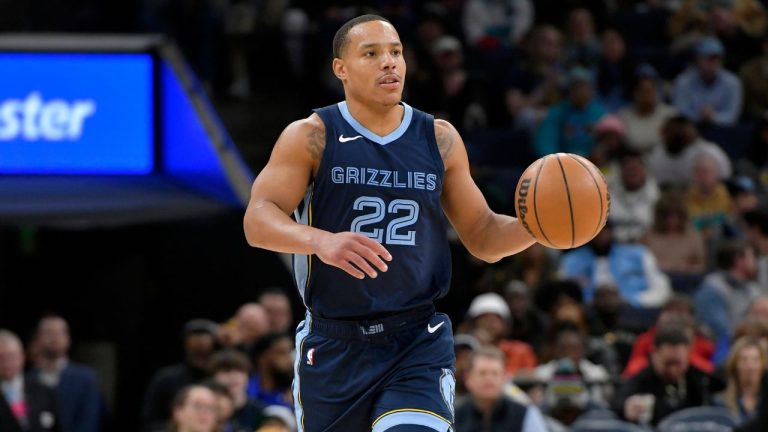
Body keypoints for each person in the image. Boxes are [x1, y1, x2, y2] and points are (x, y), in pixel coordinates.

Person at [243, 14, 536, 432]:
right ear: (340, 69)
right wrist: (320, 241)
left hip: (416, 339)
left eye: (396, 52)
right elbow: (257, 219)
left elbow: (484, 236)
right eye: (372, 53)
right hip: (334, 344)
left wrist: (536, 226)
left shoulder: (438, 139)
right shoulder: (313, 135)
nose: (390, 63)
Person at [613, 322, 723, 426]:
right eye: (668, 363)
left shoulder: (696, 378)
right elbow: (618, 401)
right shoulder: (642, 379)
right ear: (654, 354)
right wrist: (626, 406)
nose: (673, 370)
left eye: (678, 363)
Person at [30, 315, 105, 432]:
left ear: (68, 339)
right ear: (37, 339)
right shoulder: (28, 379)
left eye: (59, 333)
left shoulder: (86, 378)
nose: (54, 338)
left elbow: (90, 421)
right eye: (49, 333)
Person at [142, 319, 219, 432]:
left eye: (210, 408)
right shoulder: (166, 378)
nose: (203, 414)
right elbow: (149, 421)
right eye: (198, 406)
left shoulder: (217, 378)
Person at [454, 347, 548, 432]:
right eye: (482, 373)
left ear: (504, 378)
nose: (489, 379)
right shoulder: (452, 416)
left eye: (495, 373)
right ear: (468, 378)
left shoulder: (525, 414)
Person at [0, 329, 62, 432]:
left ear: (22, 356)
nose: (7, 363)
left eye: (11, 356)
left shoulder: (44, 390)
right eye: (1, 358)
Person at [716, 337, 767, 425]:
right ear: (735, 365)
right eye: (744, 360)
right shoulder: (720, 403)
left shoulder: (765, 403)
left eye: (755, 360)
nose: (750, 366)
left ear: (763, 365)